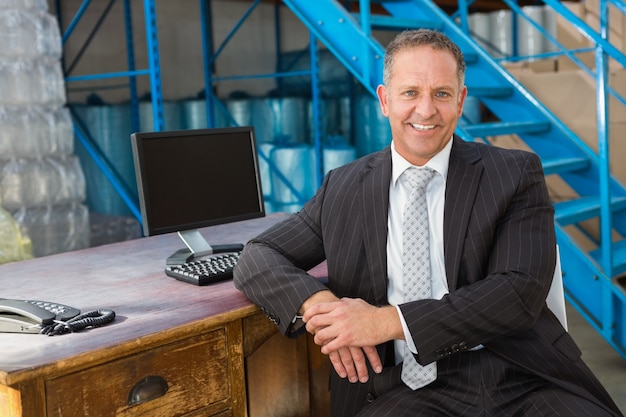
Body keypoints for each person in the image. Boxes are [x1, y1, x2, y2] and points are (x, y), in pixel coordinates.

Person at [233, 29, 623, 417]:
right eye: (410, 93)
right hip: (402, 387)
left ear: (460, 101)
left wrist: (386, 322)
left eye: (441, 93)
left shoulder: (513, 174)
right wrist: (322, 305)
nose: (425, 110)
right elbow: (258, 255)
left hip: (519, 373)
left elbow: (517, 293)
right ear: (385, 100)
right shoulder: (345, 186)